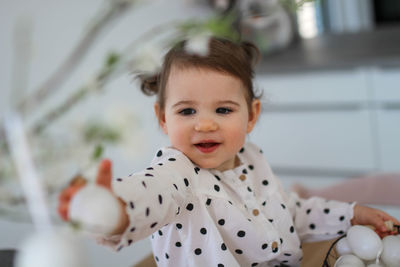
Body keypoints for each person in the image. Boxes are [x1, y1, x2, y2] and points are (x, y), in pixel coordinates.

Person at [58, 37, 399, 267]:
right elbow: (148, 196)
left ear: (251, 115)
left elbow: (290, 213)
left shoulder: (252, 159)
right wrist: (112, 208)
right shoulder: (175, 173)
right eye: (187, 111)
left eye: (222, 110)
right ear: (163, 119)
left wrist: (350, 214)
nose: (204, 125)